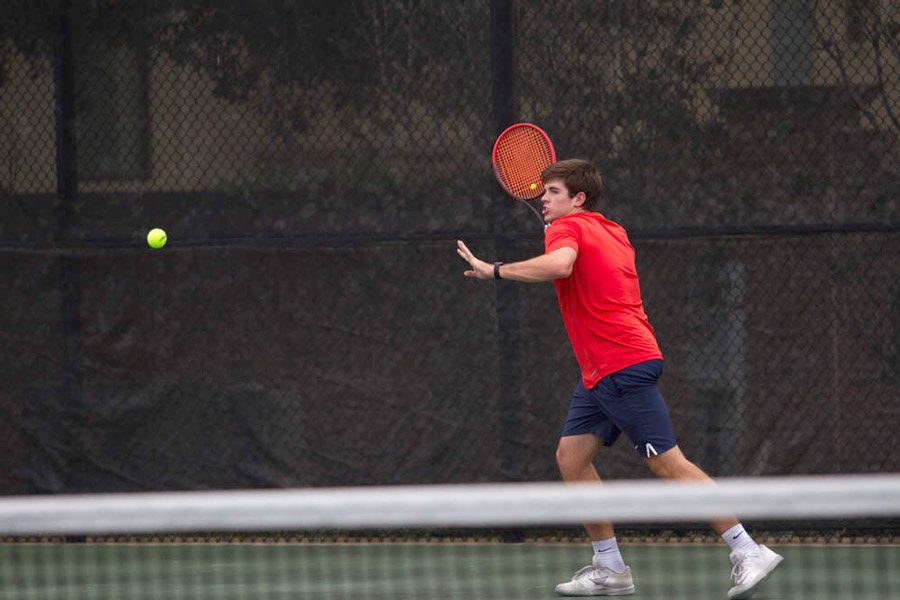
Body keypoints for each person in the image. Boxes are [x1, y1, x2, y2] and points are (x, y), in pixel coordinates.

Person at [455, 159, 782, 599]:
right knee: (572, 456)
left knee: (667, 462)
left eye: (552, 191)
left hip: (620, 364)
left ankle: (747, 549)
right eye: (543, 192)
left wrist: (494, 270)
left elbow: (562, 266)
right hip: (604, 369)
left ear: (578, 199)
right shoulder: (613, 230)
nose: (543, 199)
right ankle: (610, 566)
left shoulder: (565, 229)